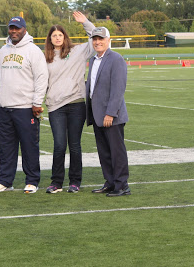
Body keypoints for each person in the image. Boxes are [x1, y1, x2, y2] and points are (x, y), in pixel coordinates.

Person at [0, 16, 48, 194]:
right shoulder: (2, 50)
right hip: (5, 107)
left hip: (25, 107)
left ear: (24, 29)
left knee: (29, 146)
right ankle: (5, 180)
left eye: (17, 28)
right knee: (6, 146)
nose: (14, 31)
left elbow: (41, 77)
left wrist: (37, 102)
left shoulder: (34, 51)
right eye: (11, 28)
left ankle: (32, 180)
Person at [44, 11, 96, 194]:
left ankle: (75, 182)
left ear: (65, 37)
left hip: (75, 104)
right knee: (59, 145)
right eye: (54, 35)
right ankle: (56, 182)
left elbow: (95, 38)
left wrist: (85, 22)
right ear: (50, 39)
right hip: (55, 106)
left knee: (74, 144)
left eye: (60, 35)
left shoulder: (78, 51)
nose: (57, 38)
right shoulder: (45, 57)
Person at [86, 27, 130, 197]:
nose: (97, 42)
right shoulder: (93, 60)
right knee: (104, 152)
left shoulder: (116, 59)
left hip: (112, 116)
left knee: (116, 152)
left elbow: (118, 89)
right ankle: (110, 182)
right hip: (97, 115)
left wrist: (111, 113)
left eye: (101, 39)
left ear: (108, 40)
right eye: (95, 39)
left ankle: (122, 185)